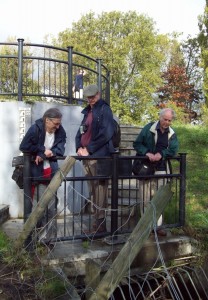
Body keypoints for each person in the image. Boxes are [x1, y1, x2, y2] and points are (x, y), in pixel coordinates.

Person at [19, 108, 66, 239]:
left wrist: (49, 153)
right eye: (55, 123)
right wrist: (41, 151)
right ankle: (32, 238)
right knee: (37, 208)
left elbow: (60, 149)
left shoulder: (60, 131)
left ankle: (50, 239)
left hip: (51, 172)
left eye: (59, 123)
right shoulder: (36, 129)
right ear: (47, 120)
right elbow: (24, 146)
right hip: (37, 172)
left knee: (51, 208)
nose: (58, 126)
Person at [75, 84, 115, 233]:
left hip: (99, 157)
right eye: (88, 97)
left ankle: (100, 225)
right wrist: (78, 147)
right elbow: (80, 131)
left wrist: (89, 149)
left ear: (98, 94)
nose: (91, 99)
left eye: (93, 96)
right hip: (87, 156)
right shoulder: (88, 112)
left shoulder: (105, 109)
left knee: (100, 191)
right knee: (92, 190)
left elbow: (107, 133)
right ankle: (96, 224)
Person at [133, 108, 179, 236]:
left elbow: (174, 149)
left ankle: (157, 227)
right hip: (146, 168)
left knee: (159, 199)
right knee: (145, 198)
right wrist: (146, 153)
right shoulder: (148, 128)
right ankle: (145, 226)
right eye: (165, 119)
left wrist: (161, 154)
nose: (167, 122)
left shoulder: (172, 133)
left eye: (169, 120)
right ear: (160, 117)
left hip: (162, 169)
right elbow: (137, 144)